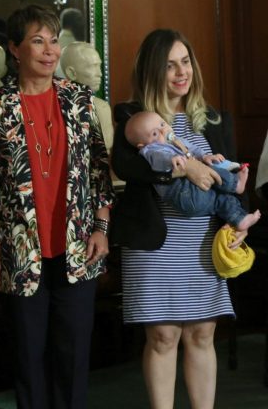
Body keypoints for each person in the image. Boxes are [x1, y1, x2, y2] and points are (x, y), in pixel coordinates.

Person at [0, 4, 115, 409]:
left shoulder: (80, 100)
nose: (49, 50)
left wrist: (101, 227)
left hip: (78, 245)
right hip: (21, 250)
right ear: (15, 50)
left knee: (73, 355)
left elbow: (100, 169)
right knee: (28, 355)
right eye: (37, 41)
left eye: (53, 40)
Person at [112, 28, 249, 408]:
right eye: (170, 65)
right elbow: (127, 167)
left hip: (203, 243)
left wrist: (235, 226)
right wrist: (184, 166)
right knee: (163, 337)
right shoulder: (132, 116)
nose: (180, 72)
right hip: (157, 246)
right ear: (153, 71)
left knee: (203, 335)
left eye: (185, 62)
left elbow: (232, 177)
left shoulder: (215, 121)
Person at [125, 110, 260, 231]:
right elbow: (160, 157)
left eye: (162, 124)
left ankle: (239, 219)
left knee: (221, 199)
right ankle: (235, 184)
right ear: (142, 145)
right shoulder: (150, 150)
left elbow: (193, 149)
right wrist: (173, 158)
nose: (163, 131)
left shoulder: (174, 141)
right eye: (154, 133)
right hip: (182, 193)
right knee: (209, 170)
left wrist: (205, 156)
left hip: (194, 199)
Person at [60, 41, 114, 150]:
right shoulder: (58, 108)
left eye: (99, 66)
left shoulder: (102, 107)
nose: (100, 74)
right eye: (92, 67)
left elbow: (107, 148)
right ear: (71, 73)